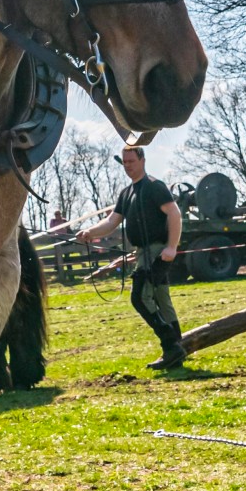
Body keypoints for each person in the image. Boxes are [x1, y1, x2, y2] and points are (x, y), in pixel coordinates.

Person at [76, 146, 186, 369]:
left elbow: (175, 213)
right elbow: (111, 222)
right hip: (142, 252)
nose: (127, 166)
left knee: (139, 298)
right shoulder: (126, 193)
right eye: (124, 162)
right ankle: (178, 350)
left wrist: (171, 247)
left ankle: (171, 346)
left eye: (131, 161)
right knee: (162, 299)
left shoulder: (155, 186)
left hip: (156, 252)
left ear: (142, 160)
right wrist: (90, 233)